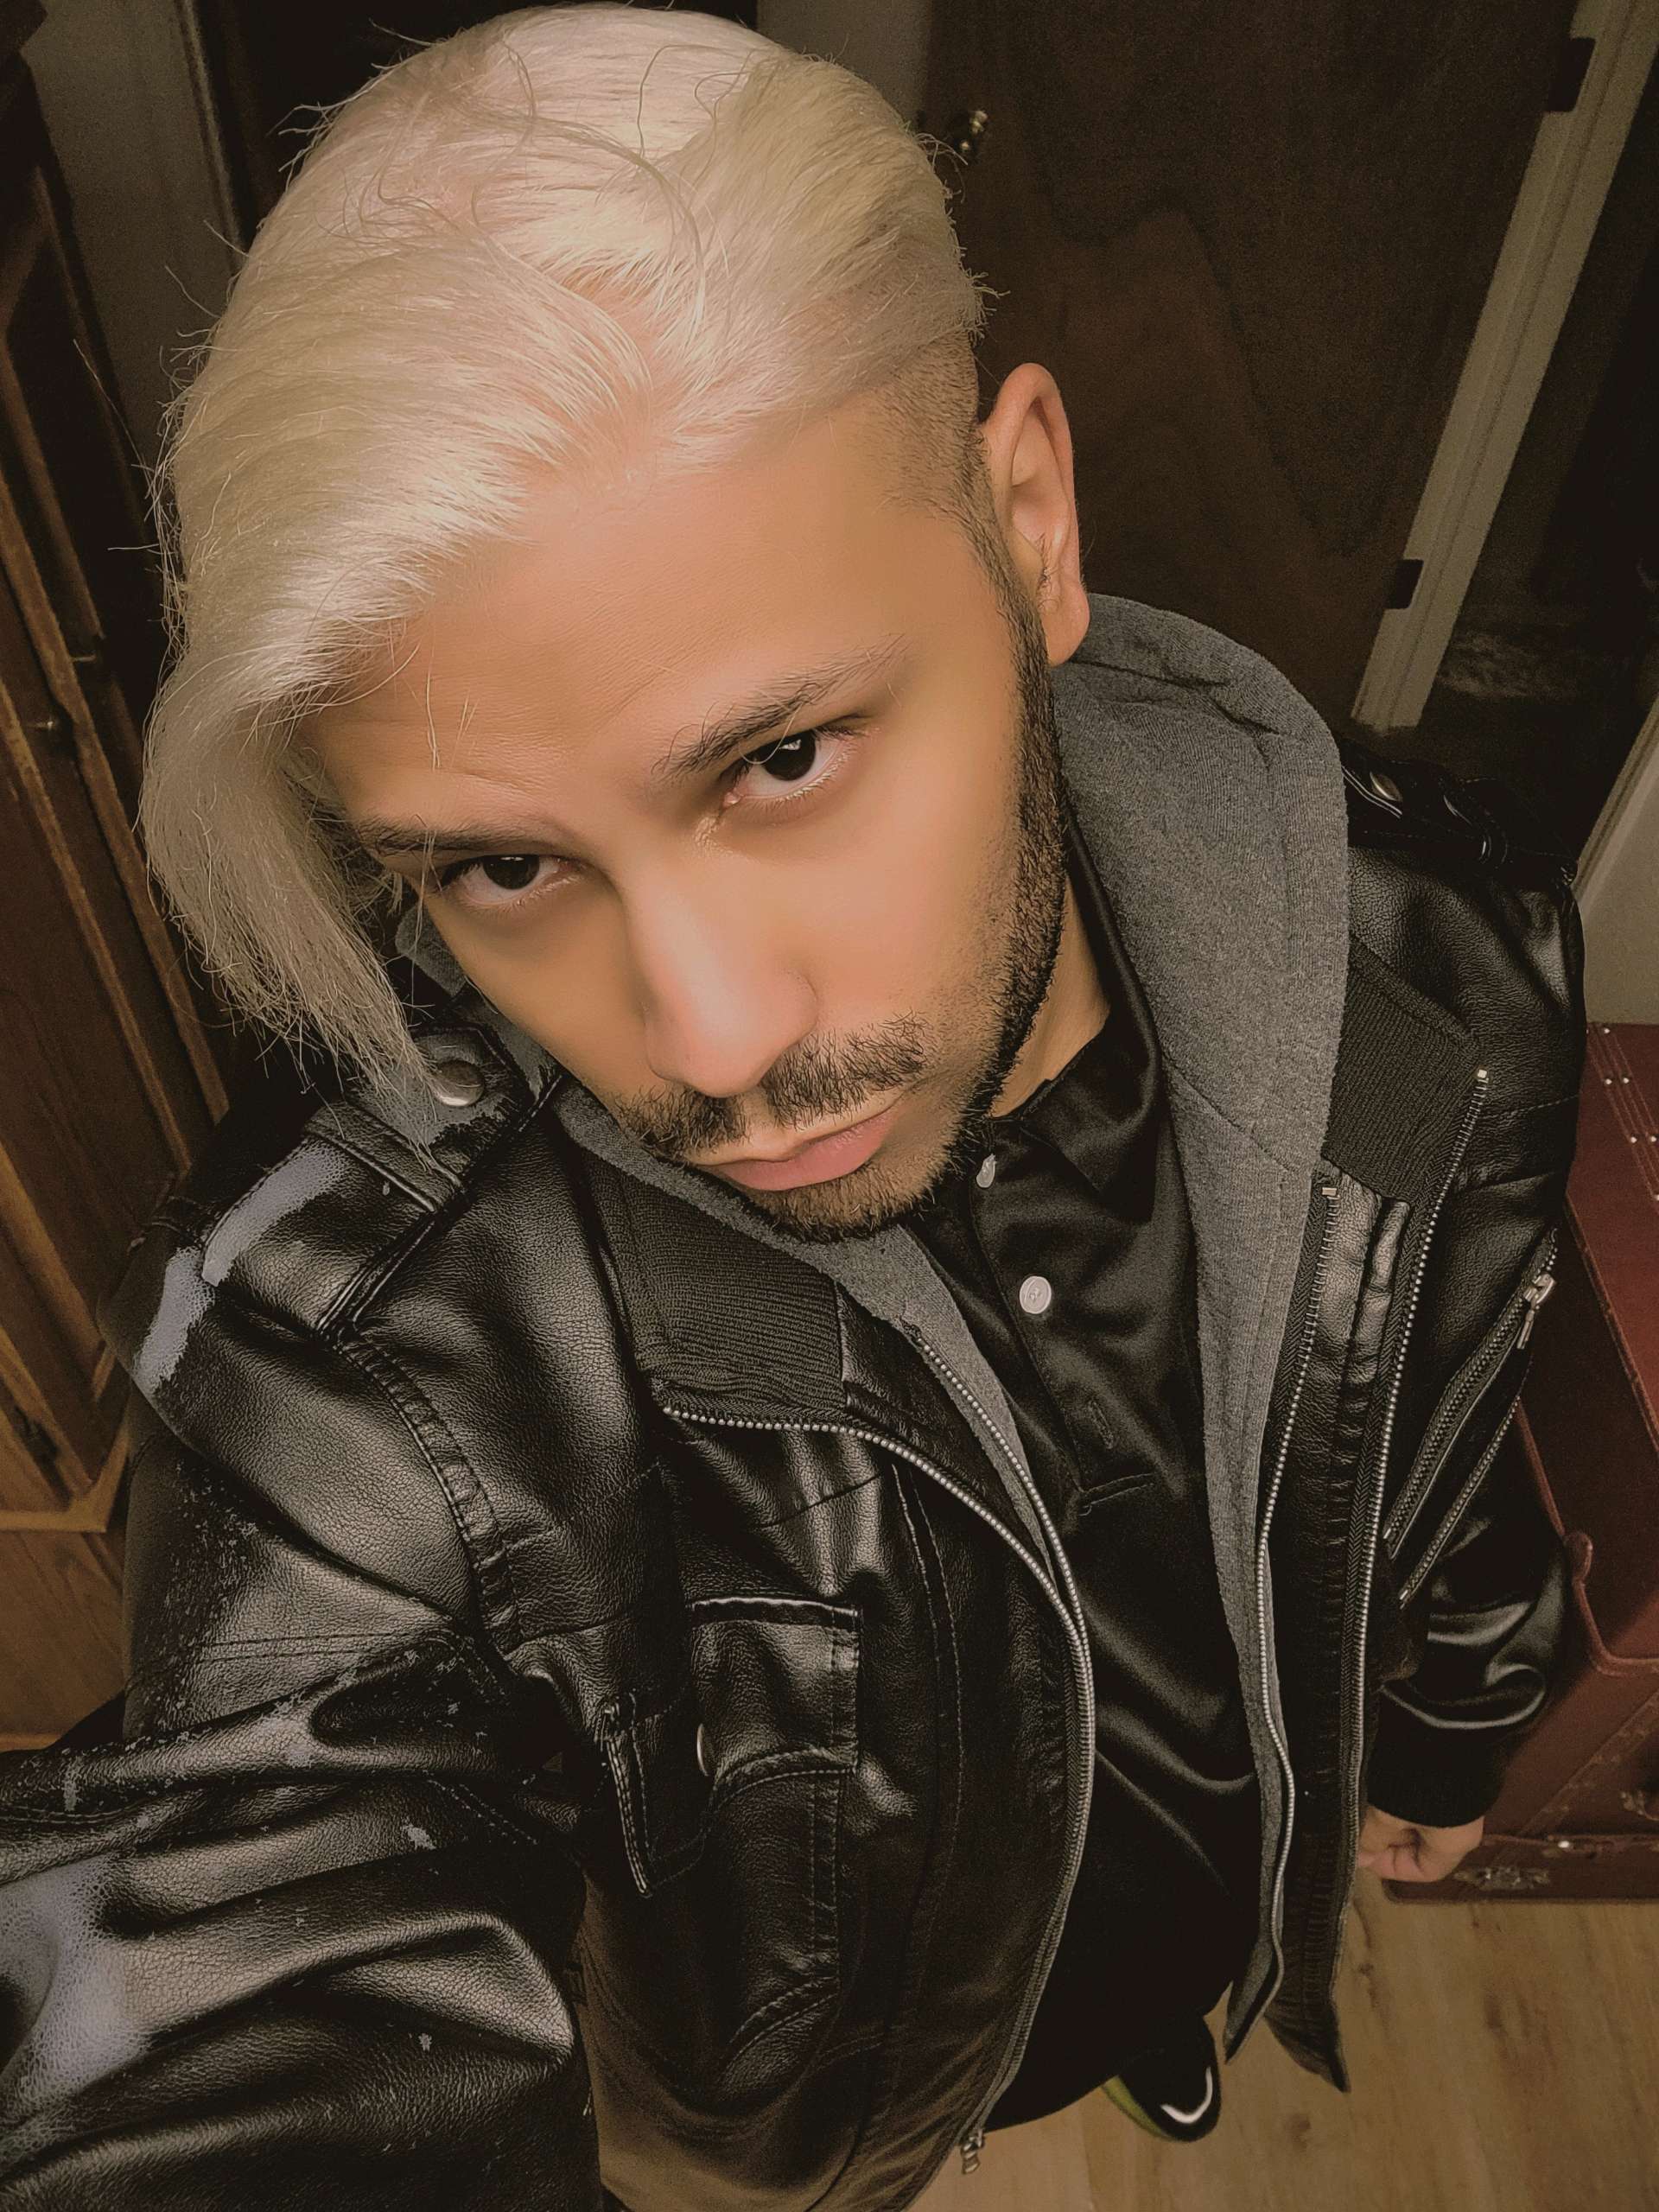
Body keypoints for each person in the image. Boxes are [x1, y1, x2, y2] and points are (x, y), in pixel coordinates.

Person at [0, 9, 1583, 2207]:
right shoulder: (357, 1353)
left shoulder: (1442, 964)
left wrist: (1459, 1708)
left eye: (781, 757)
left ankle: (1160, 2008)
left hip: (1235, 1874)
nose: (714, 1038)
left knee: (1160, 1986)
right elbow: (250, 1931)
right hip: (849, 2106)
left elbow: (1442, 1421)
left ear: (1029, 522)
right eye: (504, 864)